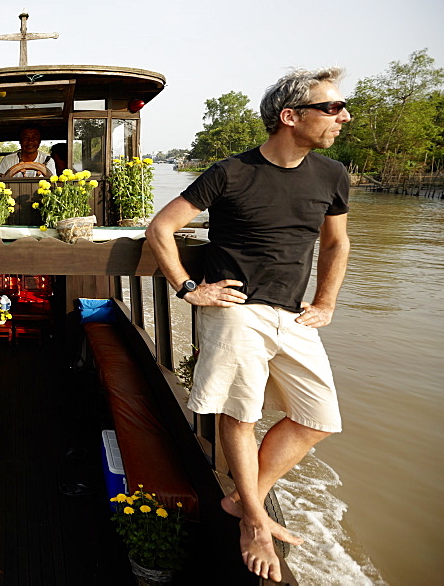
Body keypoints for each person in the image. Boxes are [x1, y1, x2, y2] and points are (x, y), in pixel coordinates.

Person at [145, 67, 352, 583]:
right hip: (235, 311)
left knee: (319, 418)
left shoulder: (332, 175)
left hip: (295, 314)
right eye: (331, 108)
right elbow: (161, 228)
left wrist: (325, 302)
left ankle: (244, 497)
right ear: (290, 117)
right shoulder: (230, 172)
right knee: (239, 415)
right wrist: (190, 289)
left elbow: (335, 243)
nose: (342, 116)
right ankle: (255, 524)